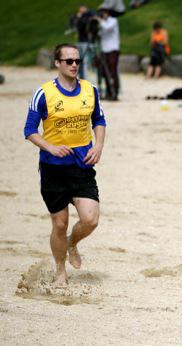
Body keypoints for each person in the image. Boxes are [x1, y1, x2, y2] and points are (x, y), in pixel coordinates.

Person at [23, 43, 107, 286]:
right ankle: (60, 270)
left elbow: (99, 120)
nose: (73, 65)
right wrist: (50, 147)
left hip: (82, 165)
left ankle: (72, 243)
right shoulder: (43, 93)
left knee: (91, 220)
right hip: (53, 168)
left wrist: (98, 145)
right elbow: (29, 130)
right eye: (68, 61)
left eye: (77, 61)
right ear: (57, 63)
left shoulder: (90, 90)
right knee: (60, 223)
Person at [96, 7, 120, 101]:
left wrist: (100, 20)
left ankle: (115, 92)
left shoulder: (113, 21)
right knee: (105, 72)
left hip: (113, 49)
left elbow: (108, 28)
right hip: (104, 50)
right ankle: (108, 92)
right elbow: (99, 34)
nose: (102, 15)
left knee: (113, 72)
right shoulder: (101, 24)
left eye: (103, 13)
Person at [69, 5, 95, 80]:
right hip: (81, 41)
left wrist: (80, 18)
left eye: (82, 10)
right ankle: (82, 76)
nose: (81, 11)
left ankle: (86, 76)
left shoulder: (89, 16)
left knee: (86, 60)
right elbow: (74, 24)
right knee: (80, 60)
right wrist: (78, 18)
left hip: (87, 41)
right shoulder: (80, 18)